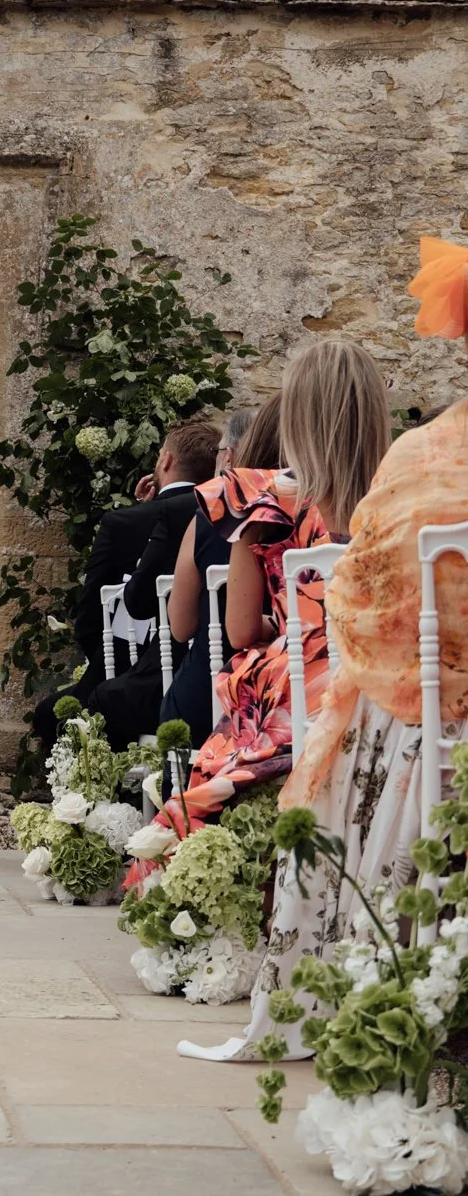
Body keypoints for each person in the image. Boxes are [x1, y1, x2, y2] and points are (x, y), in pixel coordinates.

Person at [183, 240, 468, 1065]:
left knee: (287, 693)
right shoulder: (395, 467)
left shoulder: (399, 480)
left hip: (374, 695)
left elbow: (245, 630)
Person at [130, 336, 390, 862]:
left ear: (294, 414)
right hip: (391, 673)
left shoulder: (267, 499)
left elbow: (240, 630)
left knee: (249, 675)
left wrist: (288, 627)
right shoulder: (402, 495)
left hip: (305, 681)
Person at [77, 416, 224, 749]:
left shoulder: (125, 522)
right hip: (216, 666)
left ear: (166, 460)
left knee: (72, 708)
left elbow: (93, 616)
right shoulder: (230, 510)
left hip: (156, 674)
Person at [157, 396, 283, 751]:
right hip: (296, 694)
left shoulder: (212, 514)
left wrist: (272, 625)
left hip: (209, 695)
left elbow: (180, 627)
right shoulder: (317, 509)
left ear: (228, 456)